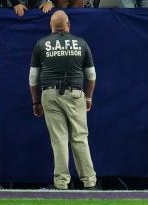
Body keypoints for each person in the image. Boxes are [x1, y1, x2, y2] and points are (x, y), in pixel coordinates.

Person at [29, 11, 97, 190]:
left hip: (50, 95)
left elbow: (33, 78)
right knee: (80, 137)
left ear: (51, 25)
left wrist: (35, 102)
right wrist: (88, 96)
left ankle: (61, 182)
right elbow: (91, 75)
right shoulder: (81, 43)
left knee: (59, 139)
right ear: (68, 24)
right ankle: (89, 180)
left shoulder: (41, 44)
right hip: (75, 93)